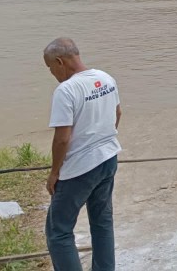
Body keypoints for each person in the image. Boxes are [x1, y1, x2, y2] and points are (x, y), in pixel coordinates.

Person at [43, 38, 121, 271]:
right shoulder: (105, 78)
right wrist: (102, 141)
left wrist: (54, 172)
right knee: (102, 222)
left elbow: (62, 139)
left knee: (58, 231)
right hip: (108, 159)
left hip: (80, 169)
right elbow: (117, 113)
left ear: (59, 61)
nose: (52, 74)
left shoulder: (66, 90)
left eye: (50, 68)